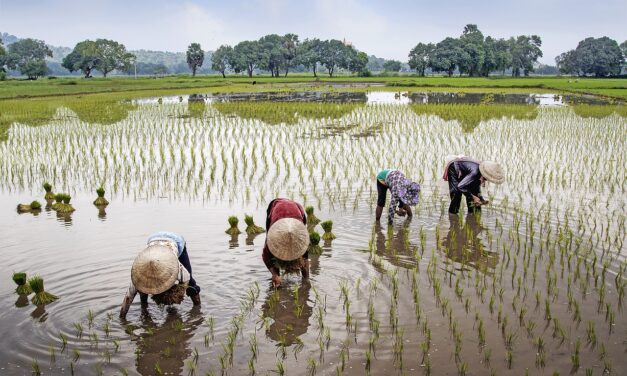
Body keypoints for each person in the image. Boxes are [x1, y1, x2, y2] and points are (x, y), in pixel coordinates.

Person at [119, 232, 201, 318]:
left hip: (176, 241)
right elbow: (128, 298)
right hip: (153, 240)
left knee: (191, 284)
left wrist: (177, 293)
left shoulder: (178, 269)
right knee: (142, 289)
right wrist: (122, 318)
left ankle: (198, 309)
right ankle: (144, 309)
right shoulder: (137, 277)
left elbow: (186, 281)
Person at [262, 198, 310, 288]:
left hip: (297, 208)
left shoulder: (302, 239)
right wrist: (275, 274)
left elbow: (305, 258)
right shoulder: (273, 237)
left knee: (302, 253)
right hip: (276, 207)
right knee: (273, 252)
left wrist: (306, 280)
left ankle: (305, 277)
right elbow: (265, 256)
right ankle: (277, 278)